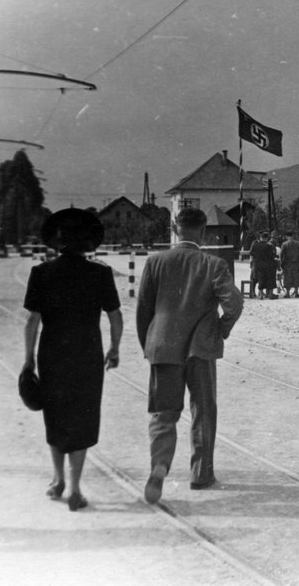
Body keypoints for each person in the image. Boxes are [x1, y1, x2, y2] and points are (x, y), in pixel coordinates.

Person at [136, 208, 243, 504]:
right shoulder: (213, 264)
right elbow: (234, 303)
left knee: (164, 412)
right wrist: (221, 329)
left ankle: (159, 466)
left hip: (163, 347)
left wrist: (150, 344)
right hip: (201, 348)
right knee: (203, 410)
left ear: (174, 227)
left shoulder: (155, 262)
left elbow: (144, 310)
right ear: (204, 231)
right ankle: (201, 473)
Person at [22, 208, 123, 511]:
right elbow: (116, 317)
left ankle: (57, 480)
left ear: (58, 241)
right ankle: (76, 488)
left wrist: (28, 360)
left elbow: (32, 322)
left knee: (54, 415)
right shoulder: (100, 273)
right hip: (87, 353)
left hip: (52, 353)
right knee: (83, 417)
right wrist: (114, 349)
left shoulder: (41, 273)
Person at [249, 230, 278, 299]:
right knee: (270, 278)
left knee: (260, 278)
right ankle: (270, 294)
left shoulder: (255, 244)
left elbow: (251, 253)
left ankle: (261, 294)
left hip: (257, 264)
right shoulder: (268, 246)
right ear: (267, 238)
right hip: (266, 265)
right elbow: (271, 256)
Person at [280, 231, 299, 298]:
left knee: (287, 277)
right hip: (295, 263)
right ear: (292, 236)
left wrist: (281, 262)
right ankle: (296, 293)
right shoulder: (298, 243)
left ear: (287, 237)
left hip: (287, 263)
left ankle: (287, 293)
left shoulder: (284, 244)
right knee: (296, 277)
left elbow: (281, 254)